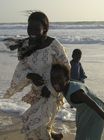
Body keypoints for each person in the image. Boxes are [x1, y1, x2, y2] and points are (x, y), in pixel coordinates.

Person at [3, 11, 70, 140]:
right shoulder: (26, 45)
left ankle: (49, 134)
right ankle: (51, 133)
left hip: (53, 91)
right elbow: (22, 67)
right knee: (37, 120)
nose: (31, 31)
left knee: (36, 123)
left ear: (44, 28)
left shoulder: (54, 45)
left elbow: (66, 68)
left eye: (35, 28)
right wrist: (31, 75)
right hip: (37, 91)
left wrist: (51, 88)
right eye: (29, 27)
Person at [50, 64, 104, 140]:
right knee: (81, 135)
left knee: (92, 137)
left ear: (66, 78)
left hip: (96, 113)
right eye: (53, 78)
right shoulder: (63, 87)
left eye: (58, 78)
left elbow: (94, 105)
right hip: (83, 110)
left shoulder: (77, 93)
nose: (55, 81)